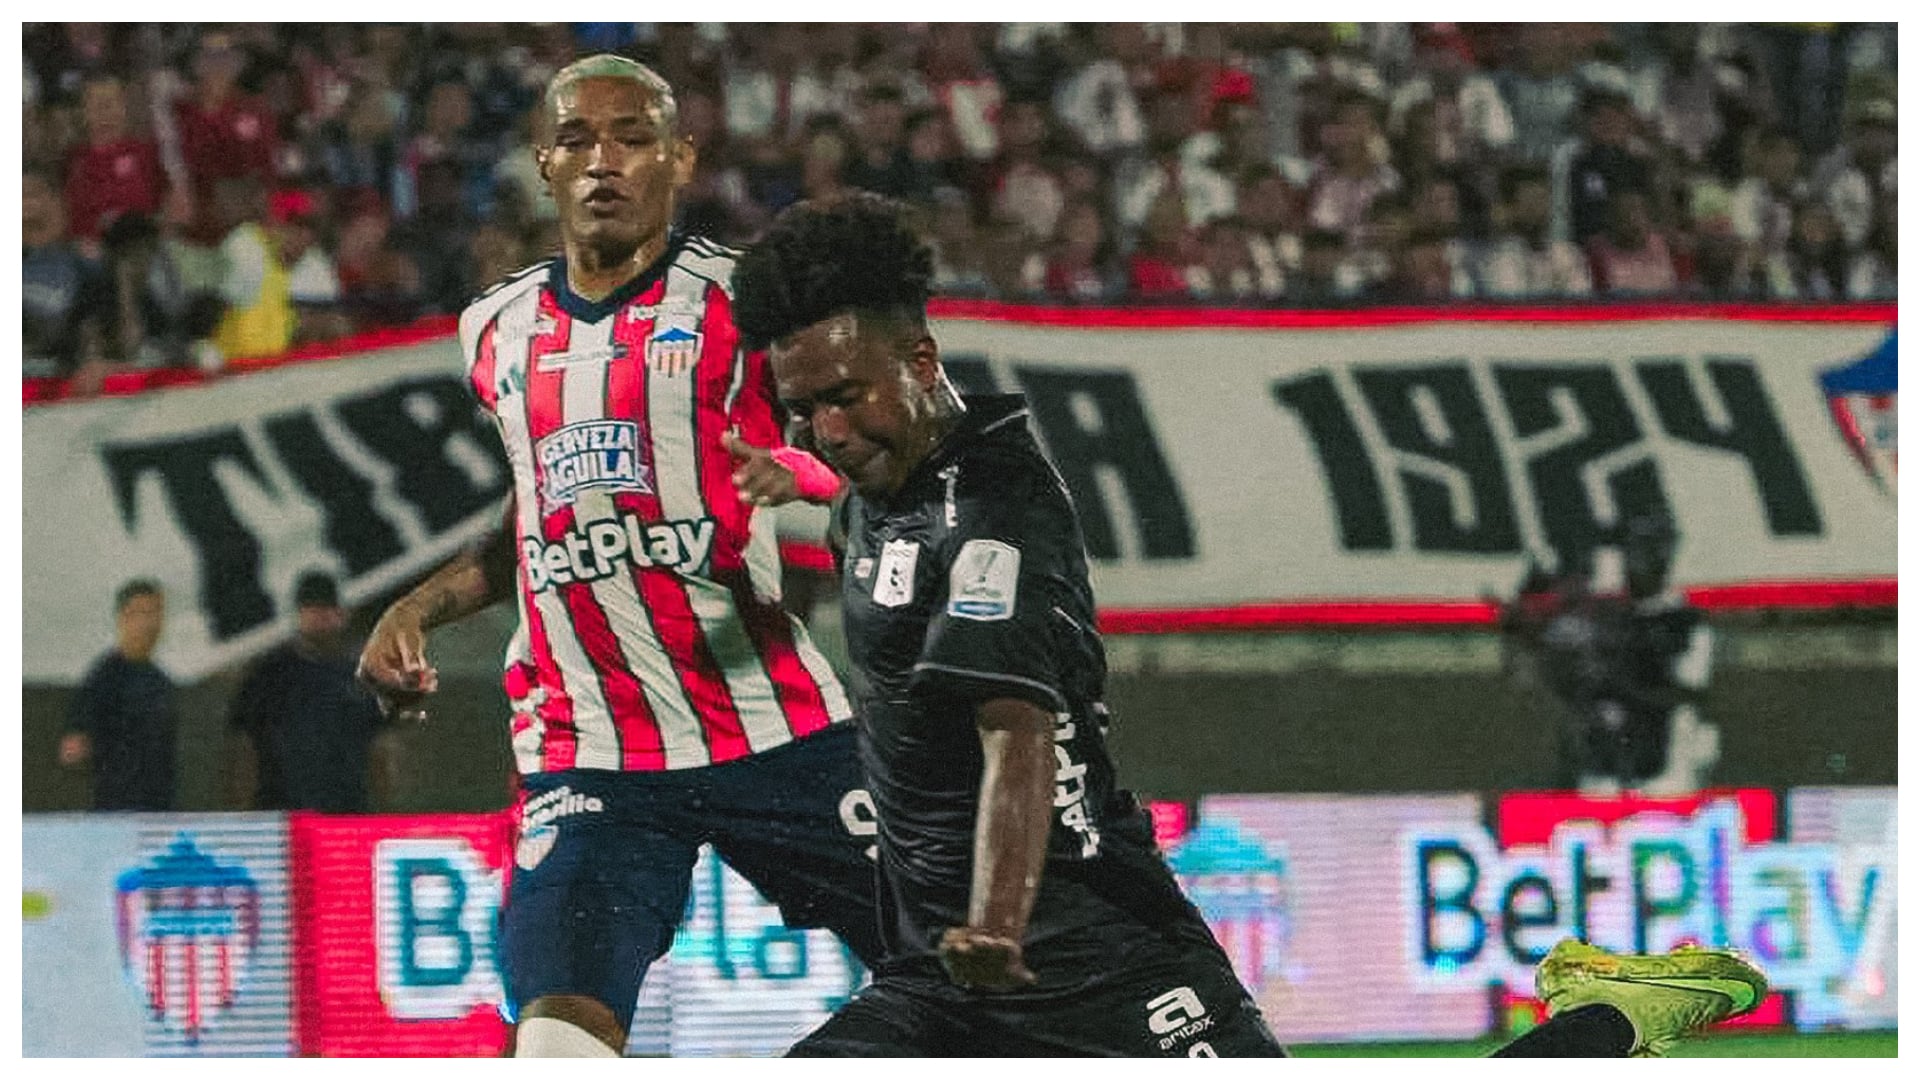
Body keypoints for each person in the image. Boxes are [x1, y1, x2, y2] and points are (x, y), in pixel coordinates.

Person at [732, 192, 1765, 1058]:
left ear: (921, 360)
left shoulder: (994, 516)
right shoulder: (882, 481)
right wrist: (798, 472)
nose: (827, 429)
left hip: (1088, 964)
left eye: (843, 399)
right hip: (941, 986)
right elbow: (862, 490)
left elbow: (1016, 731)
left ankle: (1614, 1016)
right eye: (802, 410)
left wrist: (994, 926)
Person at [355, 55, 883, 1059]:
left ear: (679, 159)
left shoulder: (745, 302)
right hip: (590, 751)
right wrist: (416, 608)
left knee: (965, 959)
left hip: (772, 724)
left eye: (633, 138)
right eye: (579, 140)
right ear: (543, 162)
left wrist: (798, 477)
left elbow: (852, 457)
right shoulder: (493, 329)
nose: (604, 160)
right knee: (558, 1043)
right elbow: (535, 514)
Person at [229, 572, 394, 813]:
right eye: (312, 609)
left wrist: (381, 810)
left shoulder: (361, 678)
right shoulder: (267, 676)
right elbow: (245, 750)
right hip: (282, 813)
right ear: (298, 613)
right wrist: (243, 813)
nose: (320, 617)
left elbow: (379, 749)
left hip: (345, 813)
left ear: (340, 614)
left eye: (326, 609)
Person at [59, 579, 177, 812]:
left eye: (156, 613)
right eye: (142, 613)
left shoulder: (160, 681)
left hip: (158, 811)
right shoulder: (103, 679)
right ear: (124, 618)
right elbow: (72, 751)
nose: (151, 623)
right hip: (114, 812)